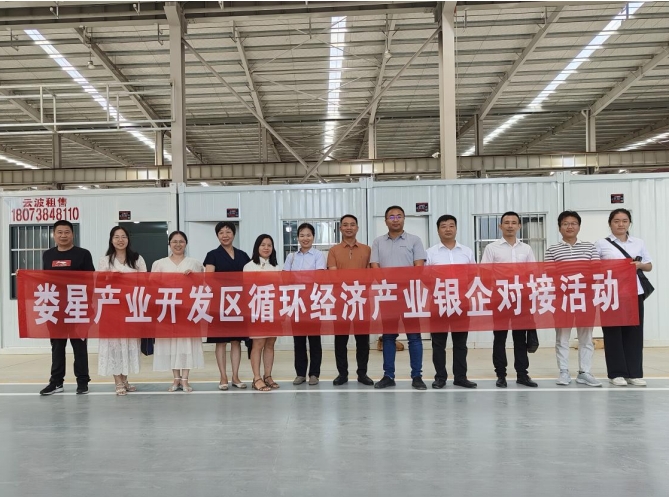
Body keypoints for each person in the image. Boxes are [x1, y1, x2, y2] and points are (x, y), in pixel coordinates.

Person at [370, 205, 428, 390]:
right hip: (388, 295)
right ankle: (388, 376)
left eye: (399, 216)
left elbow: (419, 267)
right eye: (391, 217)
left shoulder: (414, 240)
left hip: (410, 295)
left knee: (414, 337)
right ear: (385, 221)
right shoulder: (378, 242)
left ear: (404, 219)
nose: (395, 219)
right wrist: (389, 285)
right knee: (388, 337)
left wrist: (402, 284)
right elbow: (375, 267)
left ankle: (417, 376)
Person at [595, 208, 652, 387]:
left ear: (629, 223)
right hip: (610, 294)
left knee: (634, 333)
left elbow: (649, 266)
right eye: (616, 221)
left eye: (624, 221)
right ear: (610, 223)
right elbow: (594, 267)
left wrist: (639, 265)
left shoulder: (638, 242)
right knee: (613, 333)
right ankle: (616, 373)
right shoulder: (601, 244)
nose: (621, 224)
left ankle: (634, 373)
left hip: (634, 293)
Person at [545, 211, 602, 387]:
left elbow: (596, 270)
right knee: (562, 337)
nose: (569, 227)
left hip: (585, 298)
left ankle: (585, 372)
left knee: (586, 337)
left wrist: (576, 279)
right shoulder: (552, 249)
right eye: (565, 223)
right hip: (562, 299)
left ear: (579, 226)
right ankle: (563, 371)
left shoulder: (590, 247)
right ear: (559, 227)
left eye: (573, 223)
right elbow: (550, 273)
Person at [481, 211, 538, 388]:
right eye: (506, 222)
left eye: (514, 222)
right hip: (500, 299)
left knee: (520, 338)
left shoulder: (526, 249)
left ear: (519, 226)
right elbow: (485, 274)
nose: (510, 226)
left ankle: (522, 374)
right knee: (500, 338)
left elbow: (533, 273)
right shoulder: (492, 248)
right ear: (500, 226)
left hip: (521, 299)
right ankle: (501, 375)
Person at [39, 220, 95, 396]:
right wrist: (24, 277)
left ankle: (83, 382)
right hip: (55, 309)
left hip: (77, 307)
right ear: (54, 235)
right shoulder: (48, 255)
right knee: (57, 347)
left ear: (73, 234)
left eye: (67, 232)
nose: (63, 235)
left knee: (79, 346)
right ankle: (56, 382)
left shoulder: (83, 254)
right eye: (60, 232)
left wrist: (87, 308)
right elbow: (44, 279)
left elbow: (90, 280)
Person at [425, 214, 477, 389]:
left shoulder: (466, 251)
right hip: (438, 302)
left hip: (461, 302)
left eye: (451, 225)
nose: (448, 229)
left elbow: (473, 275)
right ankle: (440, 377)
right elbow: (425, 278)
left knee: (460, 343)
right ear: (438, 230)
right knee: (438, 343)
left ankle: (460, 377)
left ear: (456, 228)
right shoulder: (430, 253)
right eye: (444, 226)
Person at [152, 231, 205, 393]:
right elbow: (152, 285)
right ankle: (176, 378)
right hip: (168, 309)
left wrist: (193, 277)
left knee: (186, 343)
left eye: (181, 241)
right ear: (169, 244)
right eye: (174, 241)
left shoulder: (195, 263)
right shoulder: (159, 264)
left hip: (187, 310)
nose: (178, 244)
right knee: (171, 343)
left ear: (186, 244)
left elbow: (204, 285)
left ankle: (185, 379)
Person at [97, 226, 146, 395]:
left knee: (129, 343)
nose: (120, 240)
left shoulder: (137, 259)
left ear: (128, 239)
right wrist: (111, 277)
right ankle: (117, 381)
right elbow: (98, 283)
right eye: (116, 237)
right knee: (114, 345)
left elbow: (146, 281)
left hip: (131, 307)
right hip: (112, 308)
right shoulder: (105, 261)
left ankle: (125, 379)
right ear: (111, 240)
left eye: (123, 236)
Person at [327, 214, 374, 386]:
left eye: (352, 224)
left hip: (362, 300)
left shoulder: (367, 250)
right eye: (345, 225)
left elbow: (370, 275)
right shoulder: (334, 251)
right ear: (340, 228)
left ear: (357, 228)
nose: (349, 227)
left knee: (363, 340)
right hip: (341, 301)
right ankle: (342, 374)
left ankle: (362, 373)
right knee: (340, 340)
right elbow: (333, 276)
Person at [204, 221, 251, 390]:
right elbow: (209, 280)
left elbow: (249, 278)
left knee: (236, 341)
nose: (225, 235)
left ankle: (235, 376)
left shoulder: (243, 255)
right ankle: (223, 377)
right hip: (220, 303)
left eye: (228, 232)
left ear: (234, 234)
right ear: (217, 236)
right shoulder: (212, 255)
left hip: (239, 304)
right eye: (221, 232)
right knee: (221, 342)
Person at [284, 222, 326, 385]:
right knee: (299, 340)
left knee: (314, 340)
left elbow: (319, 277)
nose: (305, 238)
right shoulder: (291, 257)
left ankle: (314, 373)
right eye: (302, 235)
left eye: (308, 235)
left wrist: (299, 278)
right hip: (296, 302)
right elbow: (285, 278)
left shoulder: (318, 255)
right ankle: (300, 373)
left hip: (313, 302)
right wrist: (305, 278)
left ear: (313, 237)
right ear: (298, 238)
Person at [244, 234, 281, 392]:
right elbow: (248, 289)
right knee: (258, 344)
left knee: (270, 343)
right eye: (263, 245)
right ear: (257, 247)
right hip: (257, 310)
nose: (266, 248)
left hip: (273, 310)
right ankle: (257, 378)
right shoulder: (249, 266)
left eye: (269, 245)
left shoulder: (276, 267)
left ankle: (268, 376)